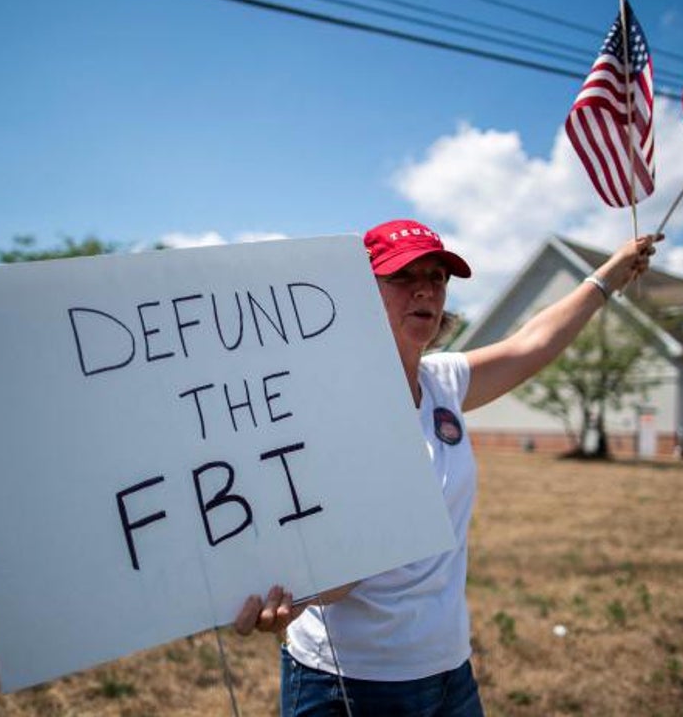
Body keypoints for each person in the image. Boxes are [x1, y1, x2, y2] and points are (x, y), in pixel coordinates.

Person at [235, 218, 661, 716]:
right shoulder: (323, 404)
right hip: (350, 682)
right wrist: (292, 594)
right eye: (403, 276)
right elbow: (336, 559)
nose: (425, 290)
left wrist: (607, 276)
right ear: (359, 292)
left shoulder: (444, 382)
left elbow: (532, 343)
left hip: (448, 672)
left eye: (437, 277)